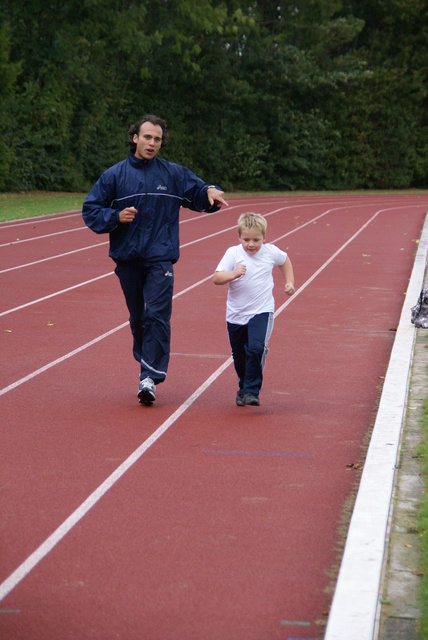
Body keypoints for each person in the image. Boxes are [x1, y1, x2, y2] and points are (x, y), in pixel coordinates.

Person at [82, 114, 228, 405]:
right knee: (139, 319)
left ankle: (148, 377)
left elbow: (198, 192)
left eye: (157, 139)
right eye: (147, 137)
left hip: (160, 259)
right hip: (128, 259)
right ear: (135, 138)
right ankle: (146, 361)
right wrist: (116, 217)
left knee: (157, 316)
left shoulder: (172, 174)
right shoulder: (114, 176)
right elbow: (91, 210)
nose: (152, 143)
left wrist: (210, 192)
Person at [213, 213, 295, 406]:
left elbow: (285, 261)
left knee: (256, 348)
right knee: (240, 356)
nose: (251, 244)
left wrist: (289, 282)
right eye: (246, 239)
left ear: (264, 238)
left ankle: (252, 391)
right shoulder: (233, 253)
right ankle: (243, 386)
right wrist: (233, 274)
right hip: (235, 314)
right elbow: (216, 278)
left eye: (256, 240)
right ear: (239, 237)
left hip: (262, 311)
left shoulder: (270, 252)